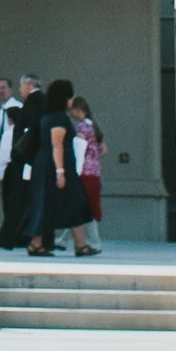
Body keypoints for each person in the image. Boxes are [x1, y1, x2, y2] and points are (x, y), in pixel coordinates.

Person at [26, 75, 97, 258]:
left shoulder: (49, 116)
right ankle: (78, 245)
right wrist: (60, 172)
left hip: (47, 165)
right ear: (64, 98)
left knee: (52, 203)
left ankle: (41, 243)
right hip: (56, 167)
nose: (72, 100)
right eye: (70, 96)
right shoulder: (58, 118)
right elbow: (57, 144)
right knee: (73, 202)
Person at [0, 74, 42, 247]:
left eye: (3, 88)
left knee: (16, 202)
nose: (0, 91)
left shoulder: (25, 106)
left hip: (19, 161)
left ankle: (12, 235)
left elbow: (9, 146)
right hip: (22, 161)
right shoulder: (5, 110)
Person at [70, 94, 106, 250]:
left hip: (83, 170)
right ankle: (65, 240)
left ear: (78, 110)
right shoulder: (94, 126)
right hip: (94, 171)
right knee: (84, 206)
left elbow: (78, 147)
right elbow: (101, 150)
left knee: (82, 207)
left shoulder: (81, 127)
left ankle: (94, 241)